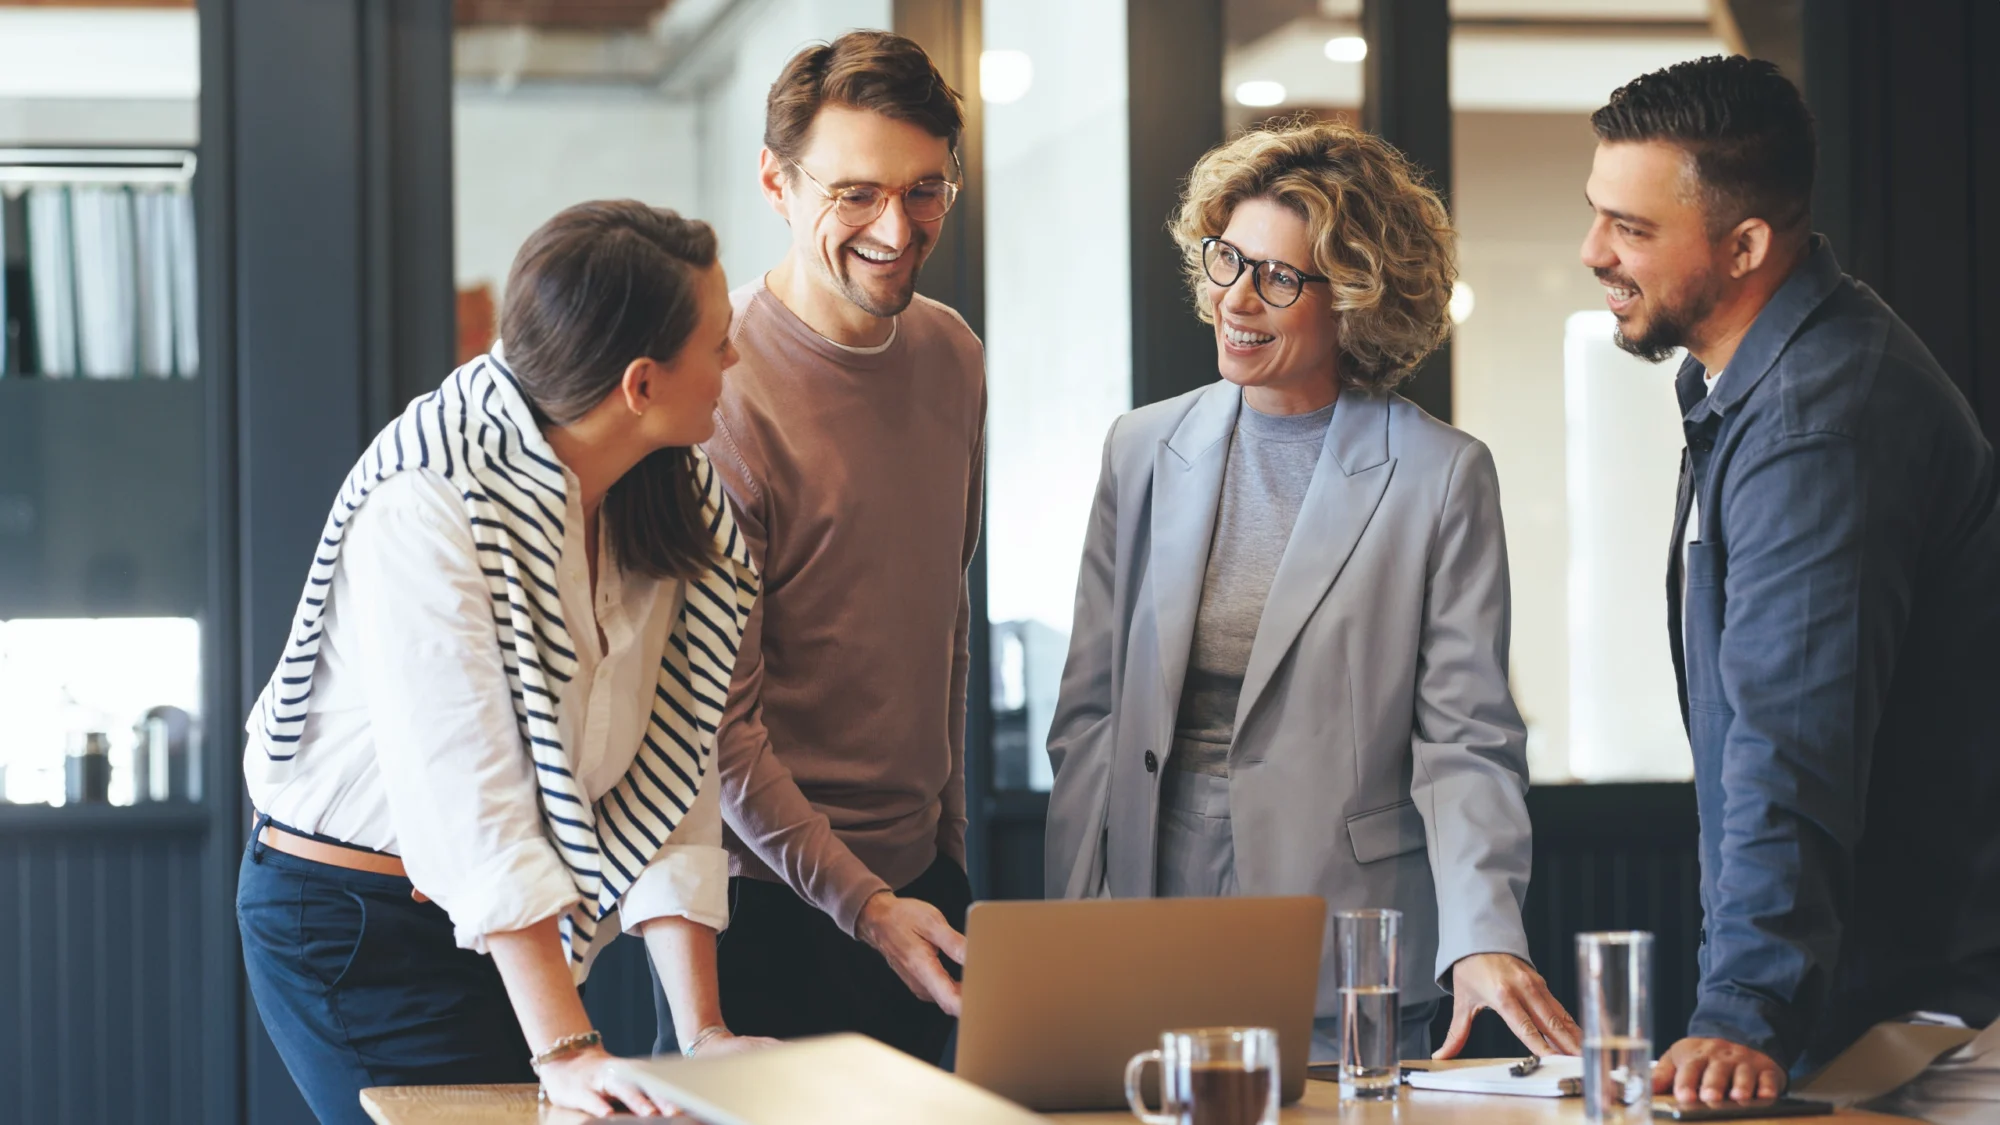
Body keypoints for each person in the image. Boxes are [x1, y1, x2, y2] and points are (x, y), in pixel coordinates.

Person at [1043, 118, 1579, 1065]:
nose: (1236, 299)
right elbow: (1089, 715)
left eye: (1279, 277)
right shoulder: (1142, 447)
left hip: (1347, 932)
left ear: (1357, 300)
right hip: (1150, 914)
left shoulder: (1440, 474)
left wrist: (1483, 930)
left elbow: (1468, 738)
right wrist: (1071, 927)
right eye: (1226, 260)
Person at [237, 201, 773, 1123]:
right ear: (640, 383)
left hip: (501, 927)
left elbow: (675, 757)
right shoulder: (428, 500)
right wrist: (567, 1046)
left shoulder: (662, 484)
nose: (735, 362)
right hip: (354, 925)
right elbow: (468, 802)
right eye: (719, 344)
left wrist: (704, 1032)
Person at [1581, 56, 2000, 1112]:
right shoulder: (1754, 384)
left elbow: (1787, 739)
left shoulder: (1816, 419)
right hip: (1865, 1011)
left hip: (1922, 1033)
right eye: (1596, 216)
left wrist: (1738, 1012)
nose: (1593, 253)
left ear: (1745, 245)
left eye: (1628, 228)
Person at [648, 31, 984, 1064]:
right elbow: (717, 724)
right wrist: (864, 903)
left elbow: (943, 621)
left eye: (925, 189)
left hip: (923, 891)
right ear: (774, 183)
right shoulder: (720, 395)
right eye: (855, 193)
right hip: (768, 906)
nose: (896, 226)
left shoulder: (951, 353)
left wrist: (940, 858)